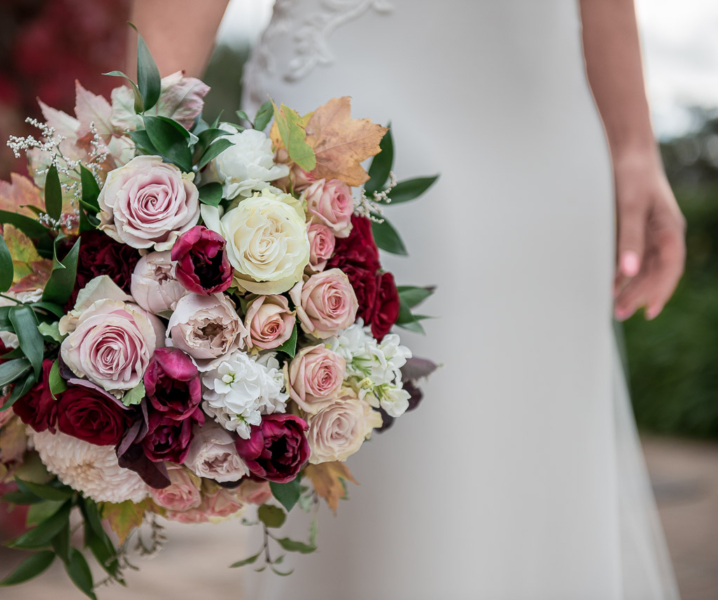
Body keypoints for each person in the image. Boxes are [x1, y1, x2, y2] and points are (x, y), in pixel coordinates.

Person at [130, 1, 685, 598]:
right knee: (413, 461)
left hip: (549, 119)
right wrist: (134, 157)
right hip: (364, 112)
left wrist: (633, 144)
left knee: (542, 465)